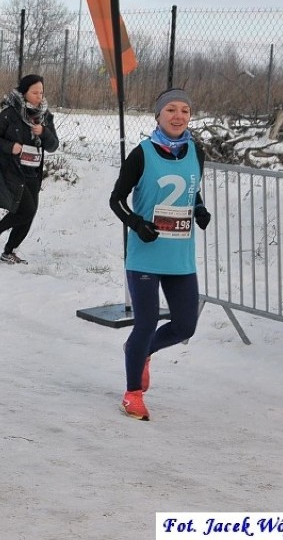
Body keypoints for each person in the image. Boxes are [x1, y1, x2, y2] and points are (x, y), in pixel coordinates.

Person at [108, 87, 210, 421]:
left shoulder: (197, 151)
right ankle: (132, 393)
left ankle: (140, 352)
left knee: (185, 327)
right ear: (158, 115)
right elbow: (117, 199)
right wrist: (136, 223)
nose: (178, 116)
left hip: (180, 256)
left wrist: (200, 209)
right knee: (147, 321)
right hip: (145, 256)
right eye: (171, 110)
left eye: (184, 110)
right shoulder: (142, 153)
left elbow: (191, 191)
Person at [0, 74, 59, 264]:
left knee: (28, 214)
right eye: (34, 92)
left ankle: (8, 252)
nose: (39, 96)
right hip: (12, 170)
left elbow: (53, 146)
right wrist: (11, 147)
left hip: (33, 172)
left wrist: (44, 132)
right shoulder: (10, 114)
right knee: (26, 210)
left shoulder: (45, 117)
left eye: (41, 92)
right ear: (24, 93)